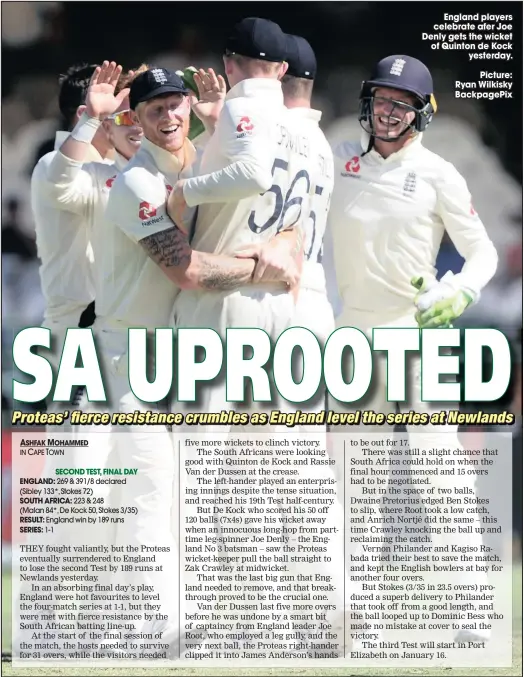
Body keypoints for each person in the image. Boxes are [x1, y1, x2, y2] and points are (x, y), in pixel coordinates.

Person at [327, 54, 498, 646]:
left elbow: (484, 253)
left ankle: (469, 609)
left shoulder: (439, 172)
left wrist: (459, 291)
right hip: (351, 335)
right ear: (366, 102)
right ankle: (356, 613)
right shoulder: (338, 162)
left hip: (415, 336)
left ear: (423, 112)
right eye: (381, 99)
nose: (388, 112)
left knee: (439, 475)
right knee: (356, 482)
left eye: (402, 103)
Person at [166, 17, 308, 421]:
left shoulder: (241, 107)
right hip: (276, 299)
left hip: (222, 302)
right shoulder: (298, 128)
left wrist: (183, 192)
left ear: (228, 65)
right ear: (282, 70)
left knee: (200, 451)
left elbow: (253, 174)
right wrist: (215, 125)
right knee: (262, 461)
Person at [30, 63, 112, 374]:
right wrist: (94, 118)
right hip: (76, 332)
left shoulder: (115, 166)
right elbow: (62, 177)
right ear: (85, 114)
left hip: (112, 329)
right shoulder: (54, 165)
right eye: (116, 108)